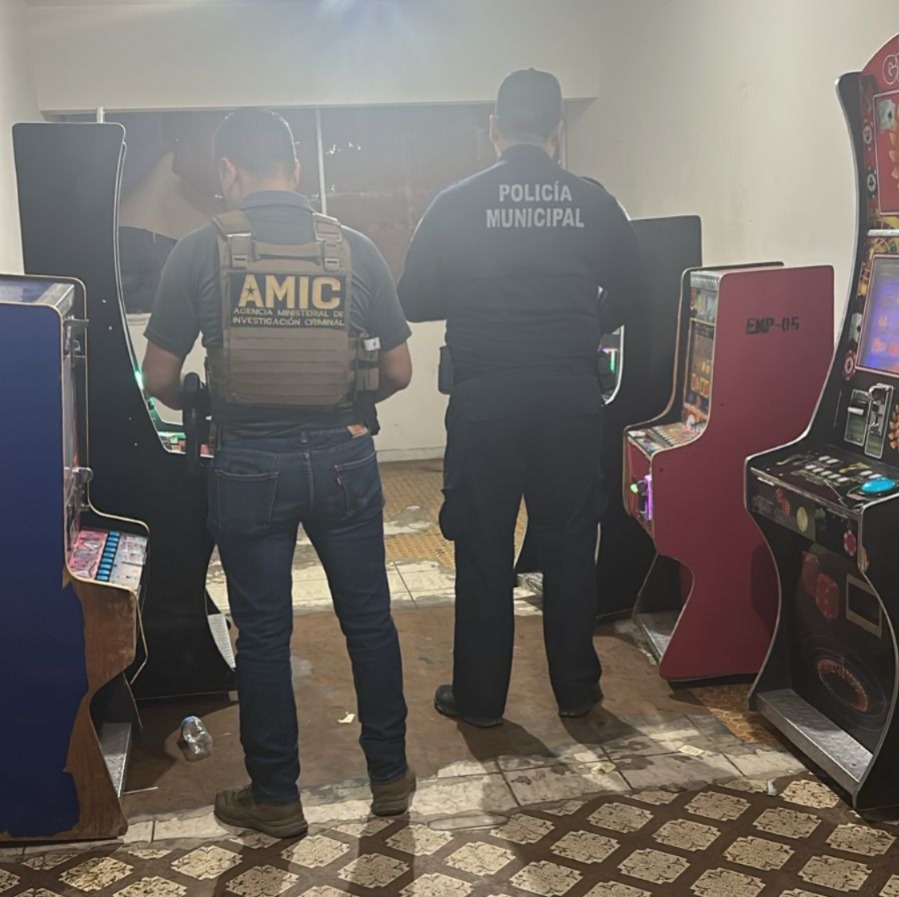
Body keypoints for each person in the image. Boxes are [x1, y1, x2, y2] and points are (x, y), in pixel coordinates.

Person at [142, 108, 416, 838]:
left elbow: (160, 376)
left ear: (229, 171)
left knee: (263, 635)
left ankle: (276, 798)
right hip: (344, 457)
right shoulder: (354, 248)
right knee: (369, 620)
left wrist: (201, 400)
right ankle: (390, 779)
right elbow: (398, 369)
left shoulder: (199, 251)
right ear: (295, 169)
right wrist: (353, 406)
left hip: (247, 465)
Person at [397, 70, 643, 727]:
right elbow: (634, 291)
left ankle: (480, 700)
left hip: (486, 399)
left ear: (494, 129)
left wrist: (474, 294)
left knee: (483, 547)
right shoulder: (592, 201)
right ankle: (577, 691)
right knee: (569, 544)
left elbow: (411, 297)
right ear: (557, 132)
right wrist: (584, 316)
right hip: (569, 397)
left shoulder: (456, 202)